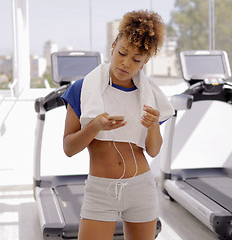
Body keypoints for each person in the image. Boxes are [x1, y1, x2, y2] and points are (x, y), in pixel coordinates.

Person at [61, 9, 174, 240]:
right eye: (122, 52)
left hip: (141, 187)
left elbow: (153, 150)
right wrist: (94, 126)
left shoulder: (149, 94)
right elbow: (69, 148)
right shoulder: (82, 89)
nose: (126, 63)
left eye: (136, 60)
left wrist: (153, 125)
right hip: (101, 190)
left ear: (144, 63)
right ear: (113, 47)